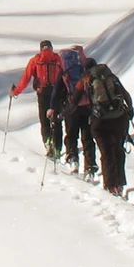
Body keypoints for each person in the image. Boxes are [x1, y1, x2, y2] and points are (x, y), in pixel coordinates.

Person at [11, 40, 66, 159]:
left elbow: (25, 79)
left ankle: (47, 142)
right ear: (51, 47)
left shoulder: (35, 60)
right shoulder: (58, 59)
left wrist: (16, 91)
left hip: (42, 92)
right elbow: (65, 75)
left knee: (44, 119)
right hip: (56, 92)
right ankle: (57, 147)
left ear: (41, 48)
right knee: (56, 119)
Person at [85, 57, 132, 195]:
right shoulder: (111, 77)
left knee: (106, 153)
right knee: (118, 150)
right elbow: (125, 95)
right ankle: (120, 183)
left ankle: (111, 185)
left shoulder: (88, 81)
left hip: (100, 122)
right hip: (119, 118)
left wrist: (61, 114)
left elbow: (77, 100)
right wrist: (129, 111)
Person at [60, 45, 96, 178]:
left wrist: (55, 108)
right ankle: (90, 165)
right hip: (87, 107)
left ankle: (73, 158)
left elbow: (58, 90)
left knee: (71, 135)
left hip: (71, 107)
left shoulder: (64, 71)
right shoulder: (84, 67)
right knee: (87, 137)